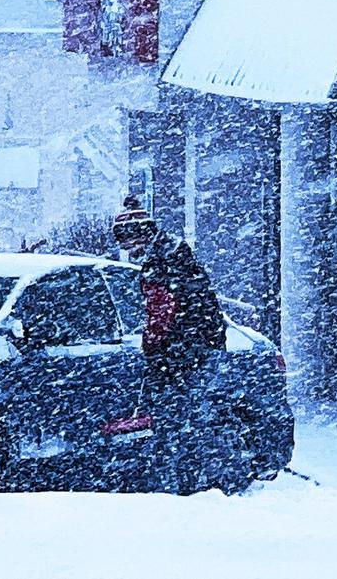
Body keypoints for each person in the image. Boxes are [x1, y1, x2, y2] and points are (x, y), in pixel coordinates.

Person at [112, 195, 226, 492]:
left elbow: (160, 314)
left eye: (125, 241)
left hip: (182, 354)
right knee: (195, 419)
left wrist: (152, 349)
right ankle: (200, 482)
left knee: (170, 423)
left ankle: (172, 488)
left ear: (140, 235)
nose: (125, 250)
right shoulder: (178, 255)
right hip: (203, 347)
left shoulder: (157, 265)